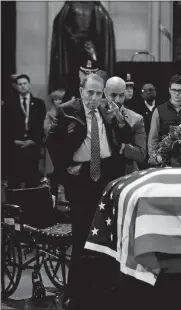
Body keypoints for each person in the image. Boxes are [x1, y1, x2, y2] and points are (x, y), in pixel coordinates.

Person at [46, 73, 134, 309]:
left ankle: (104, 290)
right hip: (82, 177)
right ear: (81, 90)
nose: (94, 98)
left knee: (106, 235)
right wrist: (66, 173)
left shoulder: (107, 109)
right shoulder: (66, 110)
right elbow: (51, 144)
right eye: (90, 93)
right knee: (83, 235)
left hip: (106, 176)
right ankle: (77, 293)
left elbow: (124, 141)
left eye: (98, 93)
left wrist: (119, 120)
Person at [2, 74, 46, 188]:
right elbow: (5, 127)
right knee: (14, 181)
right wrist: (13, 141)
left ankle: (30, 205)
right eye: (19, 84)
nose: (22, 86)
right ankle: (14, 205)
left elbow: (41, 126)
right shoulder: (9, 104)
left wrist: (34, 141)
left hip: (32, 147)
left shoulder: (39, 104)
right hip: (15, 147)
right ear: (16, 86)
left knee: (32, 182)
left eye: (25, 83)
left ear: (29, 85)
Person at [147, 75, 181, 164]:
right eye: (174, 90)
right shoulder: (159, 110)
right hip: (165, 161)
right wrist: (155, 158)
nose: (177, 93)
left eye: (180, 90)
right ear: (169, 90)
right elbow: (153, 139)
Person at [102, 76, 146, 174]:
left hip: (125, 174)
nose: (117, 100)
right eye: (113, 95)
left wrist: (121, 147)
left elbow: (141, 155)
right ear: (105, 92)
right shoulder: (97, 114)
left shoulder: (136, 119)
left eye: (121, 95)